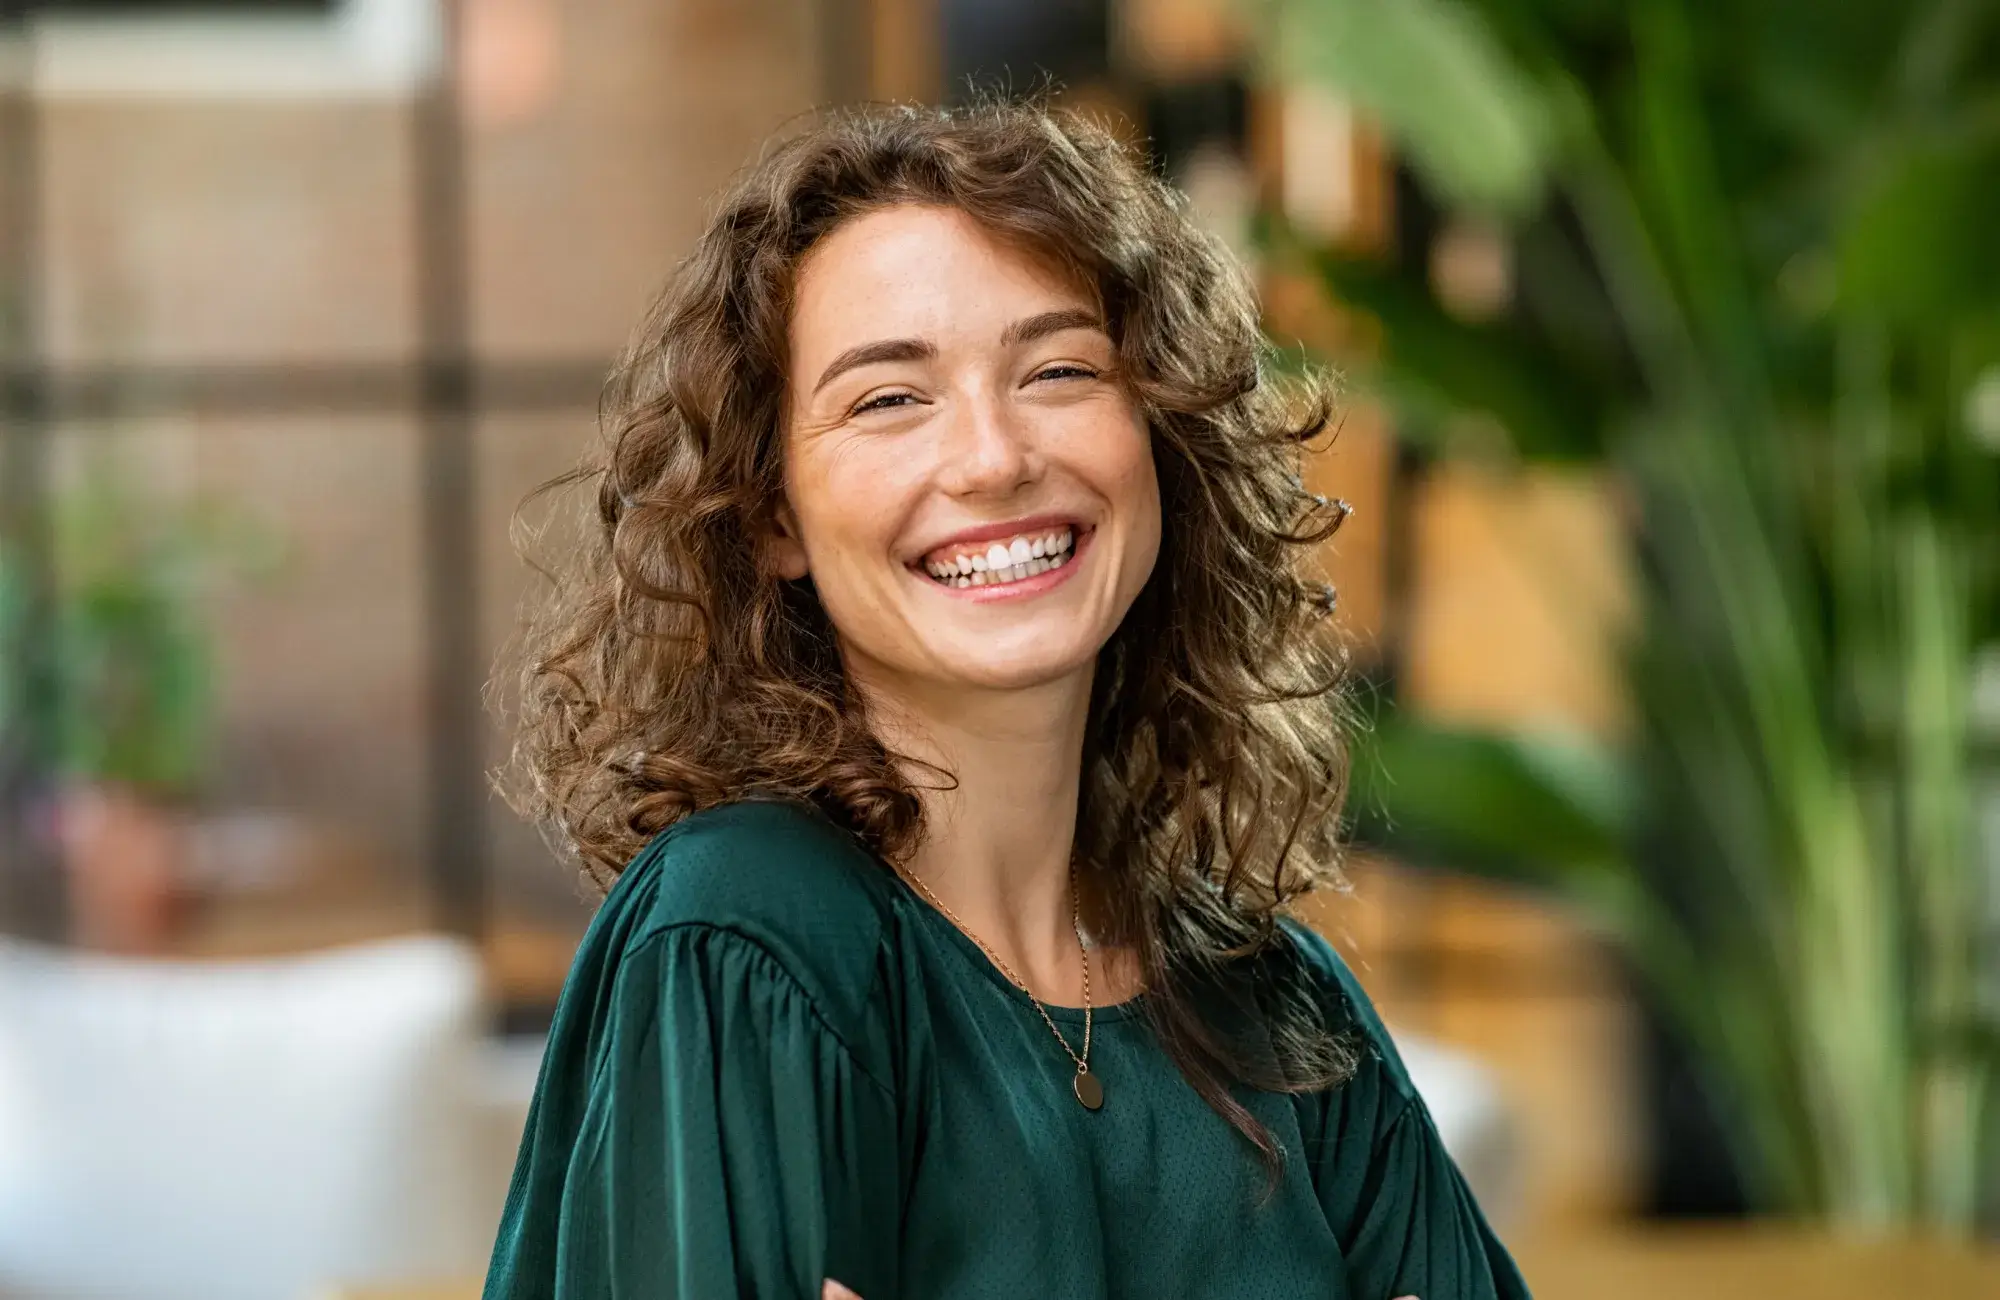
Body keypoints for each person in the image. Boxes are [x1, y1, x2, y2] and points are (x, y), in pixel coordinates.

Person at [483, 100, 1529, 1300]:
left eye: (1059, 370)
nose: (992, 457)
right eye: (889, 398)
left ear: (1158, 438)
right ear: (773, 515)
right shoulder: (748, 936)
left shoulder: (1276, 1007)